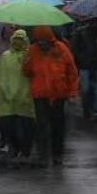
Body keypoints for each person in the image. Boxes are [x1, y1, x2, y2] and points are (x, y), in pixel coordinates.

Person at [23, 26, 79, 165]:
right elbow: (26, 72)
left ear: (50, 39)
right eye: (39, 41)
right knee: (41, 126)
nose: (41, 43)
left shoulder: (61, 48)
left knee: (58, 126)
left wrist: (73, 92)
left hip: (58, 94)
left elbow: (72, 71)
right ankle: (43, 155)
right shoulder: (32, 50)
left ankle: (57, 154)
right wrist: (27, 64)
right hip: (40, 93)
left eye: (44, 41)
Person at [0, 30, 35, 163]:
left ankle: (25, 151)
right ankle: (13, 148)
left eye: (20, 39)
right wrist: (1, 91)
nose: (18, 42)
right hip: (7, 98)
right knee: (8, 125)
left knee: (26, 127)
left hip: (25, 98)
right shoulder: (5, 56)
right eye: (15, 39)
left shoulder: (30, 56)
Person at [71, 24, 97, 120]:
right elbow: (74, 48)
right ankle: (88, 109)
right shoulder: (80, 32)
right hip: (86, 65)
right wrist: (80, 59)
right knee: (87, 89)